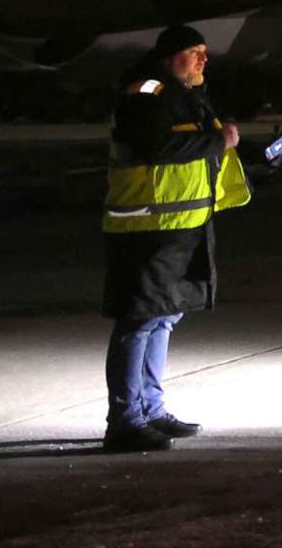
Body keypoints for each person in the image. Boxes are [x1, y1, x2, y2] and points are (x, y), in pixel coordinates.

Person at [101, 24, 250, 452]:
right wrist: (215, 141)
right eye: (194, 51)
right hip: (145, 229)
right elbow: (152, 146)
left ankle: (151, 409)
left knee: (164, 316)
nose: (204, 59)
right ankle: (125, 421)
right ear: (170, 56)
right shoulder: (146, 91)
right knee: (140, 320)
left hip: (180, 227)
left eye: (205, 51)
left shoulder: (188, 97)